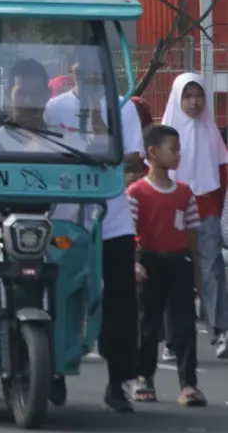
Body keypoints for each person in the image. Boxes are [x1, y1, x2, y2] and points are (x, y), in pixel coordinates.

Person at [44, 57, 144, 412]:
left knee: (120, 302)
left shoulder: (122, 107)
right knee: (58, 294)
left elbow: (133, 157)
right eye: (78, 71)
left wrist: (95, 114)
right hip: (66, 219)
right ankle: (50, 370)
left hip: (111, 219)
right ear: (70, 72)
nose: (85, 77)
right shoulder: (54, 108)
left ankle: (119, 382)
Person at [128, 124, 207, 406]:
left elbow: (191, 233)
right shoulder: (137, 192)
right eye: (172, 149)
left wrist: (196, 270)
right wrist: (134, 263)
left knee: (185, 324)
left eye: (178, 149)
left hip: (178, 262)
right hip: (149, 262)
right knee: (148, 325)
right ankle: (143, 378)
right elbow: (129, 232)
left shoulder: (184, 193)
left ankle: (189, 385)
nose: (177, 155)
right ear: (153, 152)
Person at [160, 74, 228, 358]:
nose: (194, 101)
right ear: (177, 98)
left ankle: (220, 331)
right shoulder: (166, 133)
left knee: (212, 270)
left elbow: (221, 172)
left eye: (198, 95)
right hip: (171, 212)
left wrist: (215, 204)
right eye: (187, 96)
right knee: (173, 273)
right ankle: (173, 341)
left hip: (206, 209)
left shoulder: (211, 132)